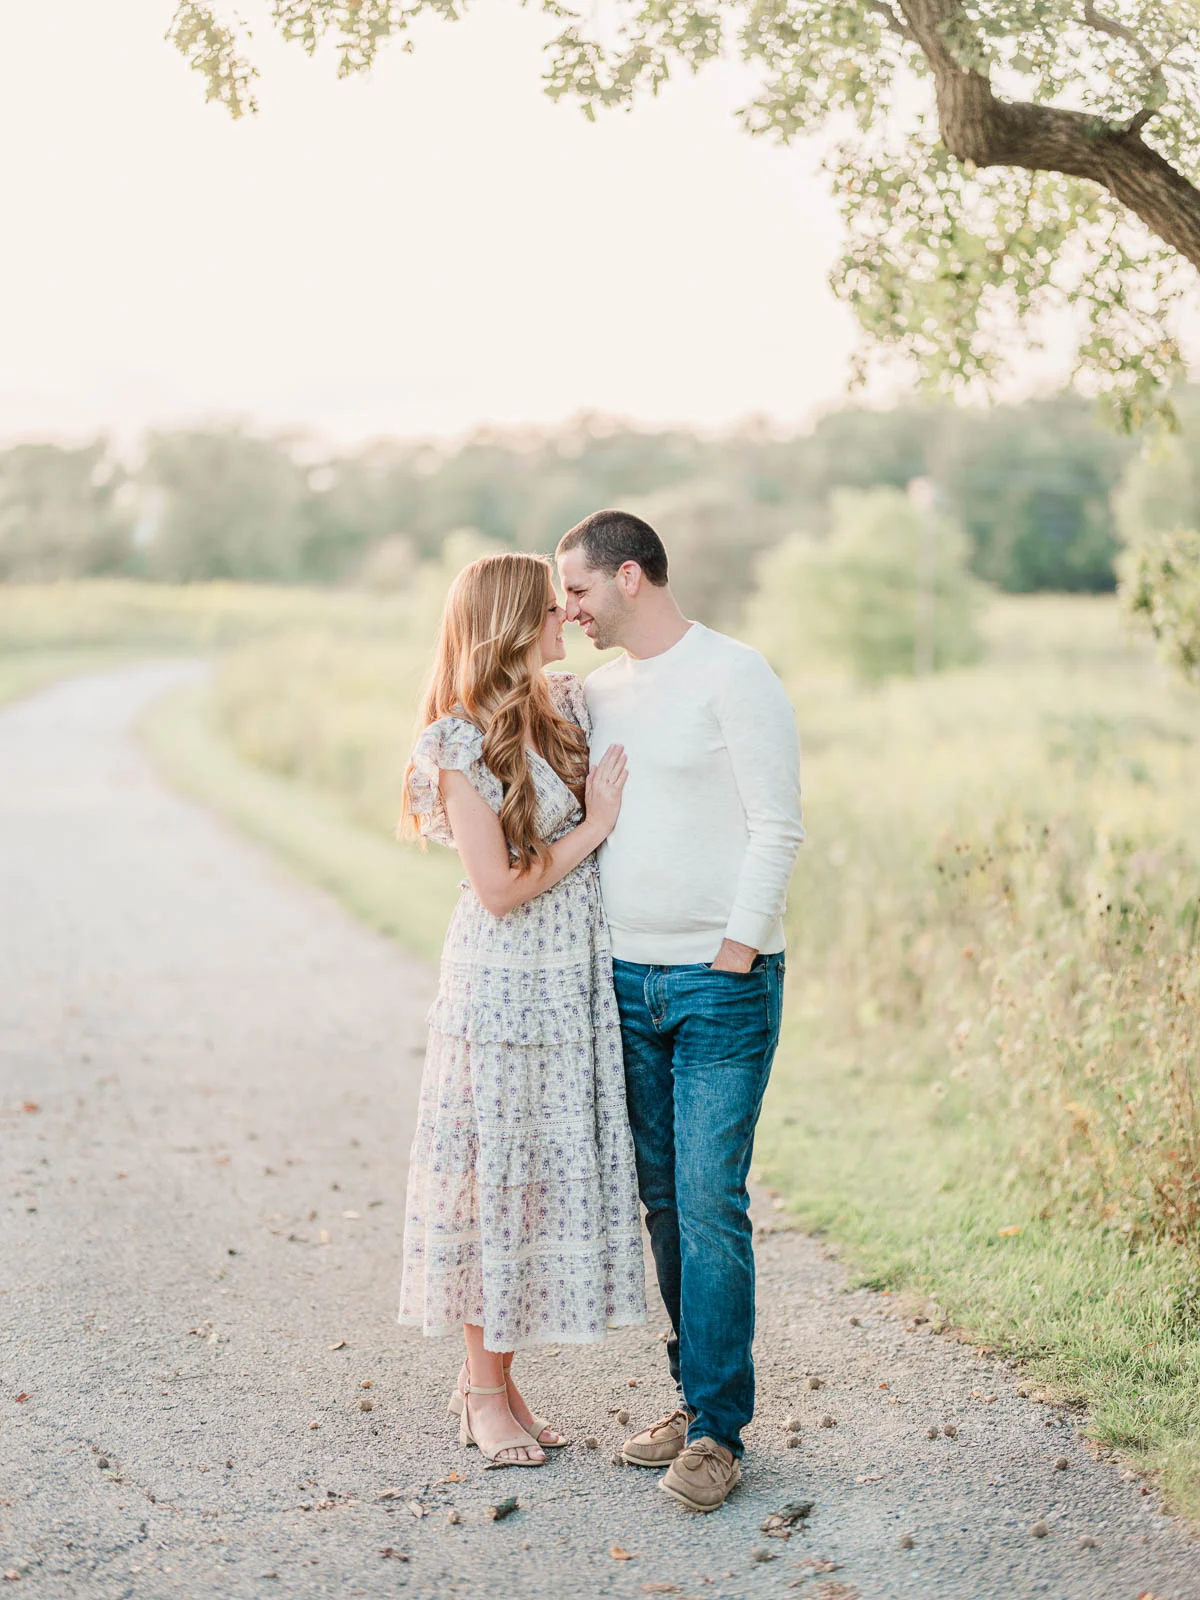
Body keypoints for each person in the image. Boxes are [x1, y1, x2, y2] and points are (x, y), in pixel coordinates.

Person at [556, 509, 805, 1512]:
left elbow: (778, 825)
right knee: (664, 1203)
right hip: (624, 979)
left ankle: (719, 1432)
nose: (565, 610)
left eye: (575, 590)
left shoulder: (734, 673)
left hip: (719, 983)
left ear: (628, 576)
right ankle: (695, 1400)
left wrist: (735, 950)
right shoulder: (596, 693)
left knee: (710, 1197)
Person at [397, 550, 646, 1467]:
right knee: (496, 1182)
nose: (565, 618)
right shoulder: (457, 742)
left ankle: (498, 1385)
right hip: (506, 984)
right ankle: (483, 1393)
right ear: (508, 624)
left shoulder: (566, 704)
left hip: (571, 979)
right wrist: (596, 826)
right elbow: (498, 889)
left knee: (536, 1182)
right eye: (549, 608)